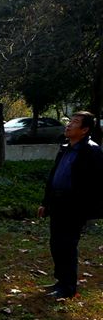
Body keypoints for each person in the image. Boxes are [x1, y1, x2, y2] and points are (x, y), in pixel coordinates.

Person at [37, 111, 103, 298]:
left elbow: (97, 183)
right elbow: (54, 177)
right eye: (69, 121)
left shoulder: (92, 151)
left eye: (74, 122)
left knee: (67, 245)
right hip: (57, 203)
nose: (69, 125)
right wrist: (46, 202)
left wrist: (85, 207)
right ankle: (60, 281)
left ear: (85, 130)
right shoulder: (65, 147)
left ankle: (68, 287)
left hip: (74, 207)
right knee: (56, 244)